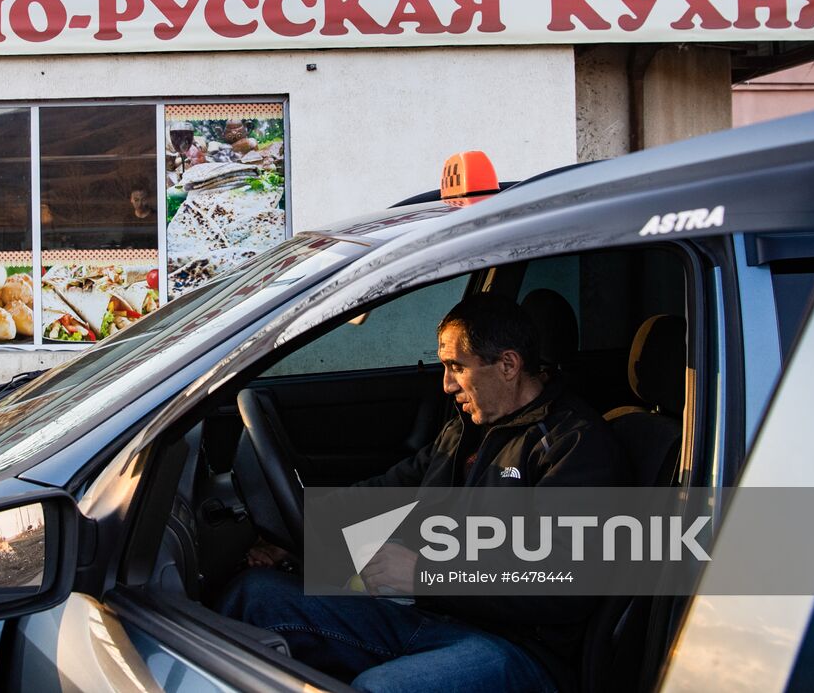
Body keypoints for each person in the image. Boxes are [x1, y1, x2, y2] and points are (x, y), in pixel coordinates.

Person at [220, 293, 629, 693]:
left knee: (379, 687)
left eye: (456, 366)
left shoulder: (573, 445)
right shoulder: (465, 429)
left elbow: (563, 580)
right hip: (434, 615)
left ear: (507, 364)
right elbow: (386, 494)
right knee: (254, 596)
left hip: (519, 648)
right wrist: (295, 537)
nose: (447, 384)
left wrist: (425, 573)